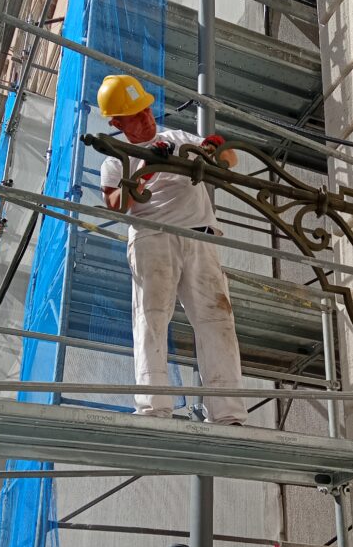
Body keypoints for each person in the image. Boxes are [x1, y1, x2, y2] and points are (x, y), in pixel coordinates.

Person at [96, 74, 248, 425]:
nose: (146, 118)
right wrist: (146, 170)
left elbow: (230, 161)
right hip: (153, 237)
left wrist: (215, 150)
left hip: (199, 236)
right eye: (135, 115)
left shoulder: (178, 139)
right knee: (151, 318)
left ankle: (228, 414)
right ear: (117, 123)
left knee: (217, 320)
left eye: (146, 110)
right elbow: (116, 205)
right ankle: (153, 408)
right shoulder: (116, 159)